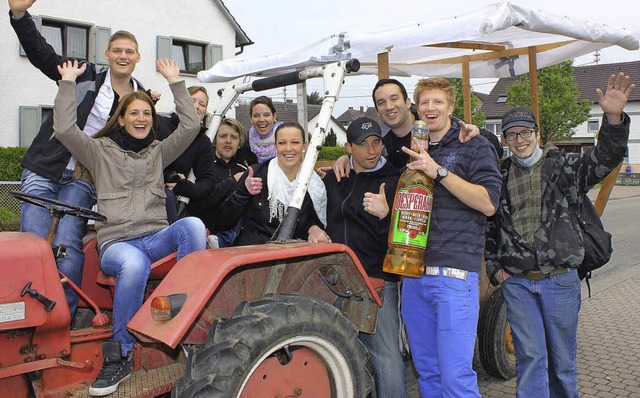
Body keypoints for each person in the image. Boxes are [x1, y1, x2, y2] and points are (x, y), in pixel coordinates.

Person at [54, 58, 207, 396]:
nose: (141, 119)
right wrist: (67, 84)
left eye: (147, 114)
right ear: (120, 119)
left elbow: (191, 128)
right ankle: (120, 353)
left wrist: (175, 83)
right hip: (118, 244)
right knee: (133, 264)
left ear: (152, 122)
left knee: (194, 227)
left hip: (154, 237)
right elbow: (65, 130)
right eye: (134, 113)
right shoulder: (99, 152)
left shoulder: (157, 153)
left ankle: (184, 323)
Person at [485, 73, 634, 398]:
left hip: (560, 281)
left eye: (525, 132)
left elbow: (604, 160)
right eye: (512, 135)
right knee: (531, 359)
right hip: (519, 283)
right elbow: (491, 226)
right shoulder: (501, 174)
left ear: (537, 134)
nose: (519, 139)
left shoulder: (563, 167)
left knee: (562, 363)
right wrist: (495, 267)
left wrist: (612, 118)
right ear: (506, 140)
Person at [9, 0, 150, 321]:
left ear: (138, 58)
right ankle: (28, 321)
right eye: (118, 50)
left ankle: (63, 322)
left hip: (83, 178)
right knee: (33, 245)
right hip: (45, 167)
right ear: (108, 55)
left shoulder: (140, 97)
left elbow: (145, 143)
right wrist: (19, 15)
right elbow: (44, 56)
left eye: (130, 51)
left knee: (67, 247)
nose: (123, 56)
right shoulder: (85, 73)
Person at [400, 78, 502, 397]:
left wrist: (438, 172)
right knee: (428, 373)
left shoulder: (474, 143)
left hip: (454, 276)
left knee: (455, 376)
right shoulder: (415, 146)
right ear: (417, 108)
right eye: (425, 102)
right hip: (415, 275)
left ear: (451, 107)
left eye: (438, 102)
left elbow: (488, 203)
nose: (431, 108)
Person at [320, 117, 406, 397]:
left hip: (375, 281)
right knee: (344, 357)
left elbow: (405, 239)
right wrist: (310, 227)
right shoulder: (335, 177)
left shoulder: (394, 180)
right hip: (335, 280)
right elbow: (313, 212)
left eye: (376, 142)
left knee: (386, 357)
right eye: (363, 144)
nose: (371, 150)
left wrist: (386, 216)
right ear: (348, 147)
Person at [328, 78, 493, 180]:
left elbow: (493, 147)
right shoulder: (383, 141)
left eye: (394, 99)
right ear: (377, 111)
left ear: (407, 102)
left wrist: (478, 131)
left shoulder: (435, 125)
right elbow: (366, 157)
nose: (389, 107)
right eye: (381, 103)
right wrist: (346, 158)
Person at [216, 122, 327, 245]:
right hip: (255, 253)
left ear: (304, 145)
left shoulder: (314, 183)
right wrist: (242, 193)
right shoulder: (256, 174)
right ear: (275, 146)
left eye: (295, 142)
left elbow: (310, 221)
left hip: (296, 256)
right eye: (282, 143)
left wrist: (314, 229)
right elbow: (222, 221)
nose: (288, 148)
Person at [189, 117, 252, 247]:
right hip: (210, 229)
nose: (228, 141)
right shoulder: (203, 167)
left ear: (239, 142)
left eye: (233, 137)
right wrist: (233, 181)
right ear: (214, 140)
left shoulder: (245, 170)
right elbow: (199, 204)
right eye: (223, 136)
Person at [158, 86, 217, 223]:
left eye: (202, 104)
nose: (196, 106)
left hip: (170, 199)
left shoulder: (202, 141)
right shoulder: (159, 124)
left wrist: (185, 187)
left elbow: (208, 181)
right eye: (192, 101)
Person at [247, 95, 283, 163]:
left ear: (274, 117)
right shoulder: (245, 144)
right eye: (256, 115)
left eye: (266, 115)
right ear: (251, 119)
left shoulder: (285, 140)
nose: (261, 119)